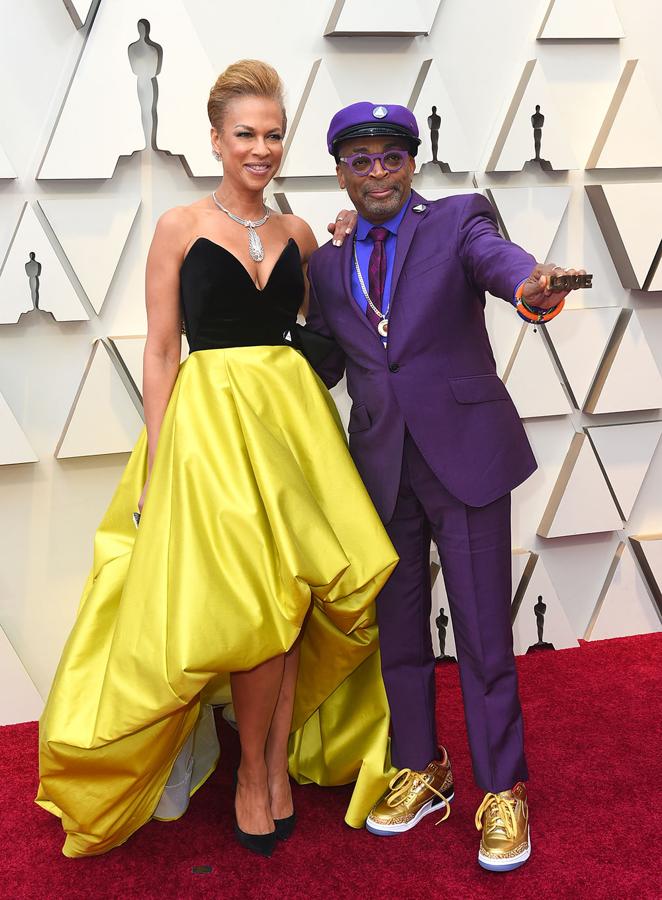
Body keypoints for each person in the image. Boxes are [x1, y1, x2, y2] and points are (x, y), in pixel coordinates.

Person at [36, 63, 398, 859]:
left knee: (298, 594)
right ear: (215, 140)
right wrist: (164, 458)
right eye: (246, 134)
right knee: (252, 600)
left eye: (273, 134)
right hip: (207, 431)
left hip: (292, 428)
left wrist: (342, 243)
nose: (261, 148)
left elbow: (329, 329)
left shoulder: (302, 234)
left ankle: (271, 762)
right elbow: (161, 350)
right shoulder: (179, 227)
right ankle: (250, 775)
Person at [305, 101, 586, 872]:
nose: (375, 173)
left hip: (463, 455)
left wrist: (536, 287)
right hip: (381, 465)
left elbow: (503, 266)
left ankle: (502, 792)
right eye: (358, 160)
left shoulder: (459, 218)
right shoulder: (326, 264)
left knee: (483, 634)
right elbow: (324, 362)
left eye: (389, 157)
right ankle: (422, 769)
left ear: (412, 162)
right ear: (340, 170)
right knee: (400, 634)